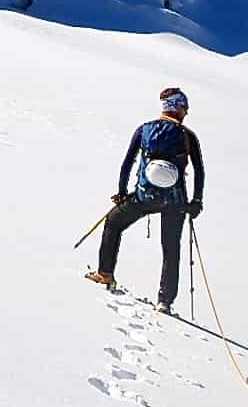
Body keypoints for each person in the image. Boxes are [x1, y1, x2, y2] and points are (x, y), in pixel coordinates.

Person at [85, 87, 205, 312]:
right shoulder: (188, 136)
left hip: (144, 196)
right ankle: (164, 302)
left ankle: (105, 274)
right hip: (176, 201)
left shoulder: (144, 129)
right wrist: (197, 201)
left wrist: (121, 192)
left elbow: (127, 162)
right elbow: (199, 170)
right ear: (177, 108)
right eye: (184, 107)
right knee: (171, 248)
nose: (186, 112)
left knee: (113, 223)